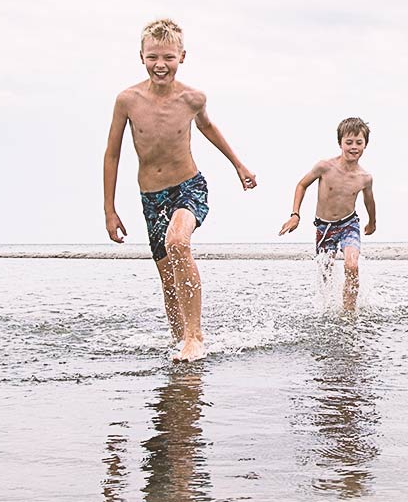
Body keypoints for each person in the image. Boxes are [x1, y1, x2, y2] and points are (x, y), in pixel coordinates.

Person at [103, 18, 257, 362]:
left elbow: (209, 128)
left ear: (182, 57)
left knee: (177, 242)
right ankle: (179, 338)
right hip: (151, 197)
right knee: (167, 277)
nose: (161, 65)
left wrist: (239, 165)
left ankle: (194, 336)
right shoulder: (127, 100)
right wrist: (109, 209)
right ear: (141, 57)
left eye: (169, 57)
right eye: (153, 57)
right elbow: (112, 154)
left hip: (189, 188)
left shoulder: (192, 98)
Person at [279, 117, 377, 311]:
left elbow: (369, 201)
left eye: (359, 142)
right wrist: (295, 214)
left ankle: (349, 313)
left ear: (366, 145)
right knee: (326, 273)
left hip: (349, 224)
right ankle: (326, 309)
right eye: (349, 142)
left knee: (352, 266)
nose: (354, 147)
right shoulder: (324, 167)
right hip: (324, 228)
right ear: (340, 143)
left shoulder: (365, 178)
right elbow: (301, 185)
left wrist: (372, 222)